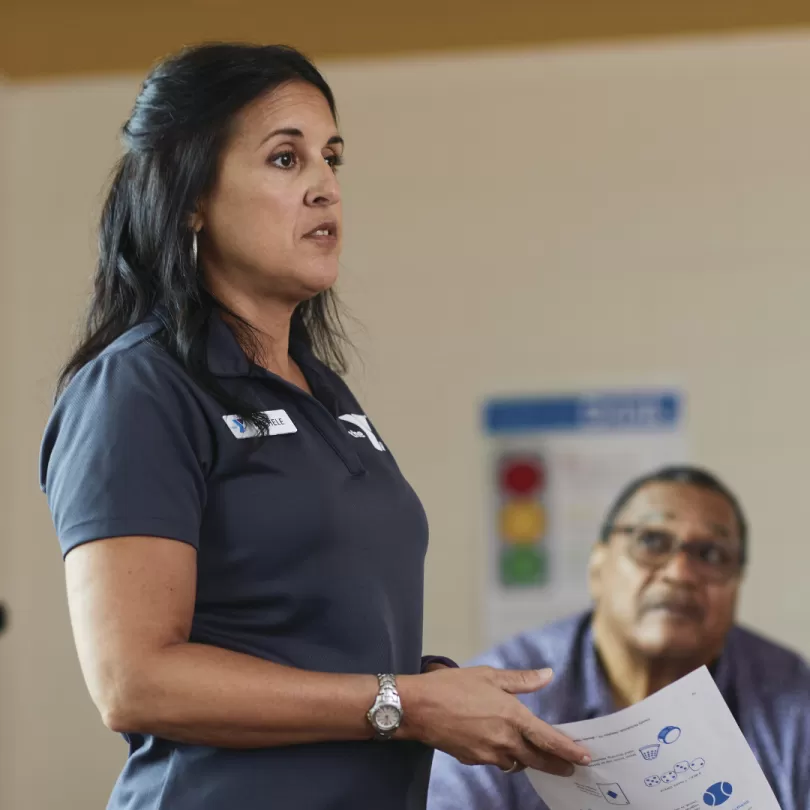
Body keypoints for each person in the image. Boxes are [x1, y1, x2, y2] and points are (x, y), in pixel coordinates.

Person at [38, 43, 591, 810]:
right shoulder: (140, 387)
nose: (326, 188)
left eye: (331, 158)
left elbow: (320, 645)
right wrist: (404, 704)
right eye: (285, 159)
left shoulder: (324, 393)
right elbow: (133, 682)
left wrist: (438, 692)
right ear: (191, 196)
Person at [427, 465, 810, 810]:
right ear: (598, 566)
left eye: (710, 554)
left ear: (737, 585)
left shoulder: (792, 695)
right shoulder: (506, 690)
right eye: (652, 542)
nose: (680, 572)